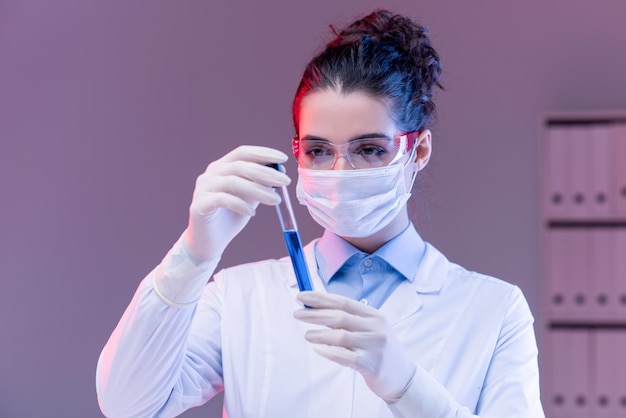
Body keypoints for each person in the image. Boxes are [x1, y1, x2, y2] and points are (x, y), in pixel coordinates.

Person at [96, 9, 545, 418]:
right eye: (318, 151)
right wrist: (193, 254)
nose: (341, 171)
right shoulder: (239, 298)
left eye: (369, 149)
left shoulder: (494, 311)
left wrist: (407, 385)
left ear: (418, 150)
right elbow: (129, 405)